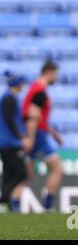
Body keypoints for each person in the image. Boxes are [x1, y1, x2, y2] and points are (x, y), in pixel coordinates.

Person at [22, 61, 64, 212]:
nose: (56, 78)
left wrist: (53, 133)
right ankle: (47, 205)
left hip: (38, 133)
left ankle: (11, 202)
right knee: (58, 170)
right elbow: (33, 115)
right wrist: (31, 139)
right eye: (55, 75)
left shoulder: (35, 88)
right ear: (49, 73)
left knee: (26, 174)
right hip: (37, 135)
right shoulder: (39, 91)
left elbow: (38, 115)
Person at [0, 71, 32, 212]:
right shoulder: (9, 99)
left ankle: (5, 204)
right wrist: (21, 137)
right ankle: (4, 199)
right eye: (22, 83)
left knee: (9, 173)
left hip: (7, 142)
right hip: (10, 143)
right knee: (21, 173)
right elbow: (10, 121)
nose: (23, 86)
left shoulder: (9, 98)